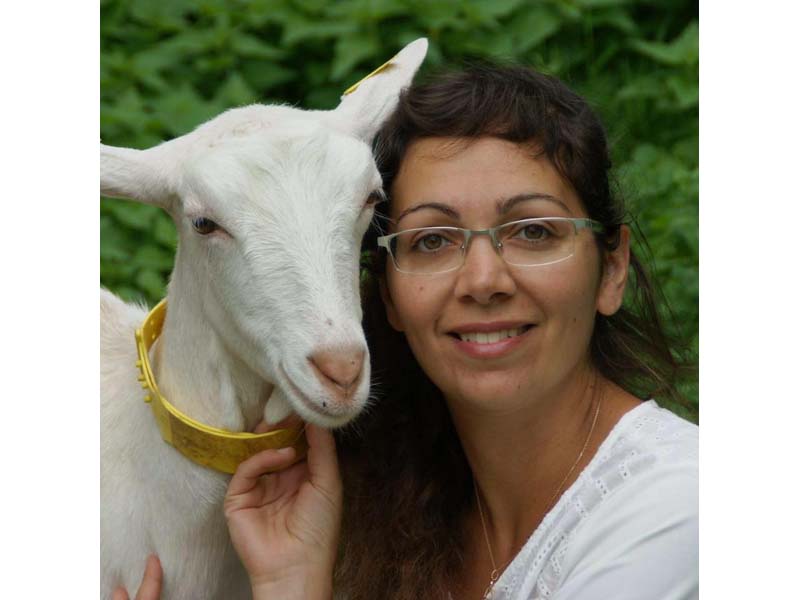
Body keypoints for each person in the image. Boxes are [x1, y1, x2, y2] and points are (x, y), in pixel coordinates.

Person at [117, 62, 698, 600]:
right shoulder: (389, 510)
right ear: (388, 296)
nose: (483, 280)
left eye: (534, 232)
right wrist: (293, 583)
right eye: (432, 240)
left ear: (611, 270)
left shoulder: (679, 512)